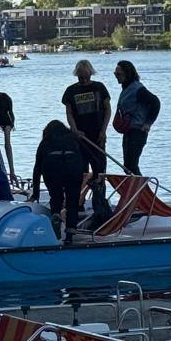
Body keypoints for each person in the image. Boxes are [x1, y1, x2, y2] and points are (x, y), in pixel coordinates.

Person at [61, 59, 113, 224]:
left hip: (97, 136)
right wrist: (74, 129)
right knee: (80, 172)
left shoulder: (99, 88)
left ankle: (100, 204)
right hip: (80, 138)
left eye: (85, 77)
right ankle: (78, 203)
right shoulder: (71, 91)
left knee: (99, 171)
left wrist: (104, 131)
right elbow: (69, 113)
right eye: (80, 78)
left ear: (90, 74)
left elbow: (107, 110)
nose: (83, 81)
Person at [29, 120, 87, 240]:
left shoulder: (45, 143)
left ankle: (55, 214)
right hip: (72, 169)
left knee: (55, 196)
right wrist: (95, 175)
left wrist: (36, 192)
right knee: (72, 200)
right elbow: (90, 157)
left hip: (51, 169)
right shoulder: (74, 139)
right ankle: (70, 233)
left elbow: (37, 168)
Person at [112, 60, 160, 175]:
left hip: (138, 131)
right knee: (127, 166)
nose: (116, 77)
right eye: (115, 74)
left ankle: (140, 190)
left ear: (127, 74)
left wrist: (148, 123)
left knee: (131, 166)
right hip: (128, 131)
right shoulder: (126, 88)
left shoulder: (138, 89)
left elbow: (155, 102)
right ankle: (136, 190)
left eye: (119, 74)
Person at [0, 92, 17, 187]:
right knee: (1, 172)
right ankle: (5, 197)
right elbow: (7, 145)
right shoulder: (5, 118)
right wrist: (12, 171)